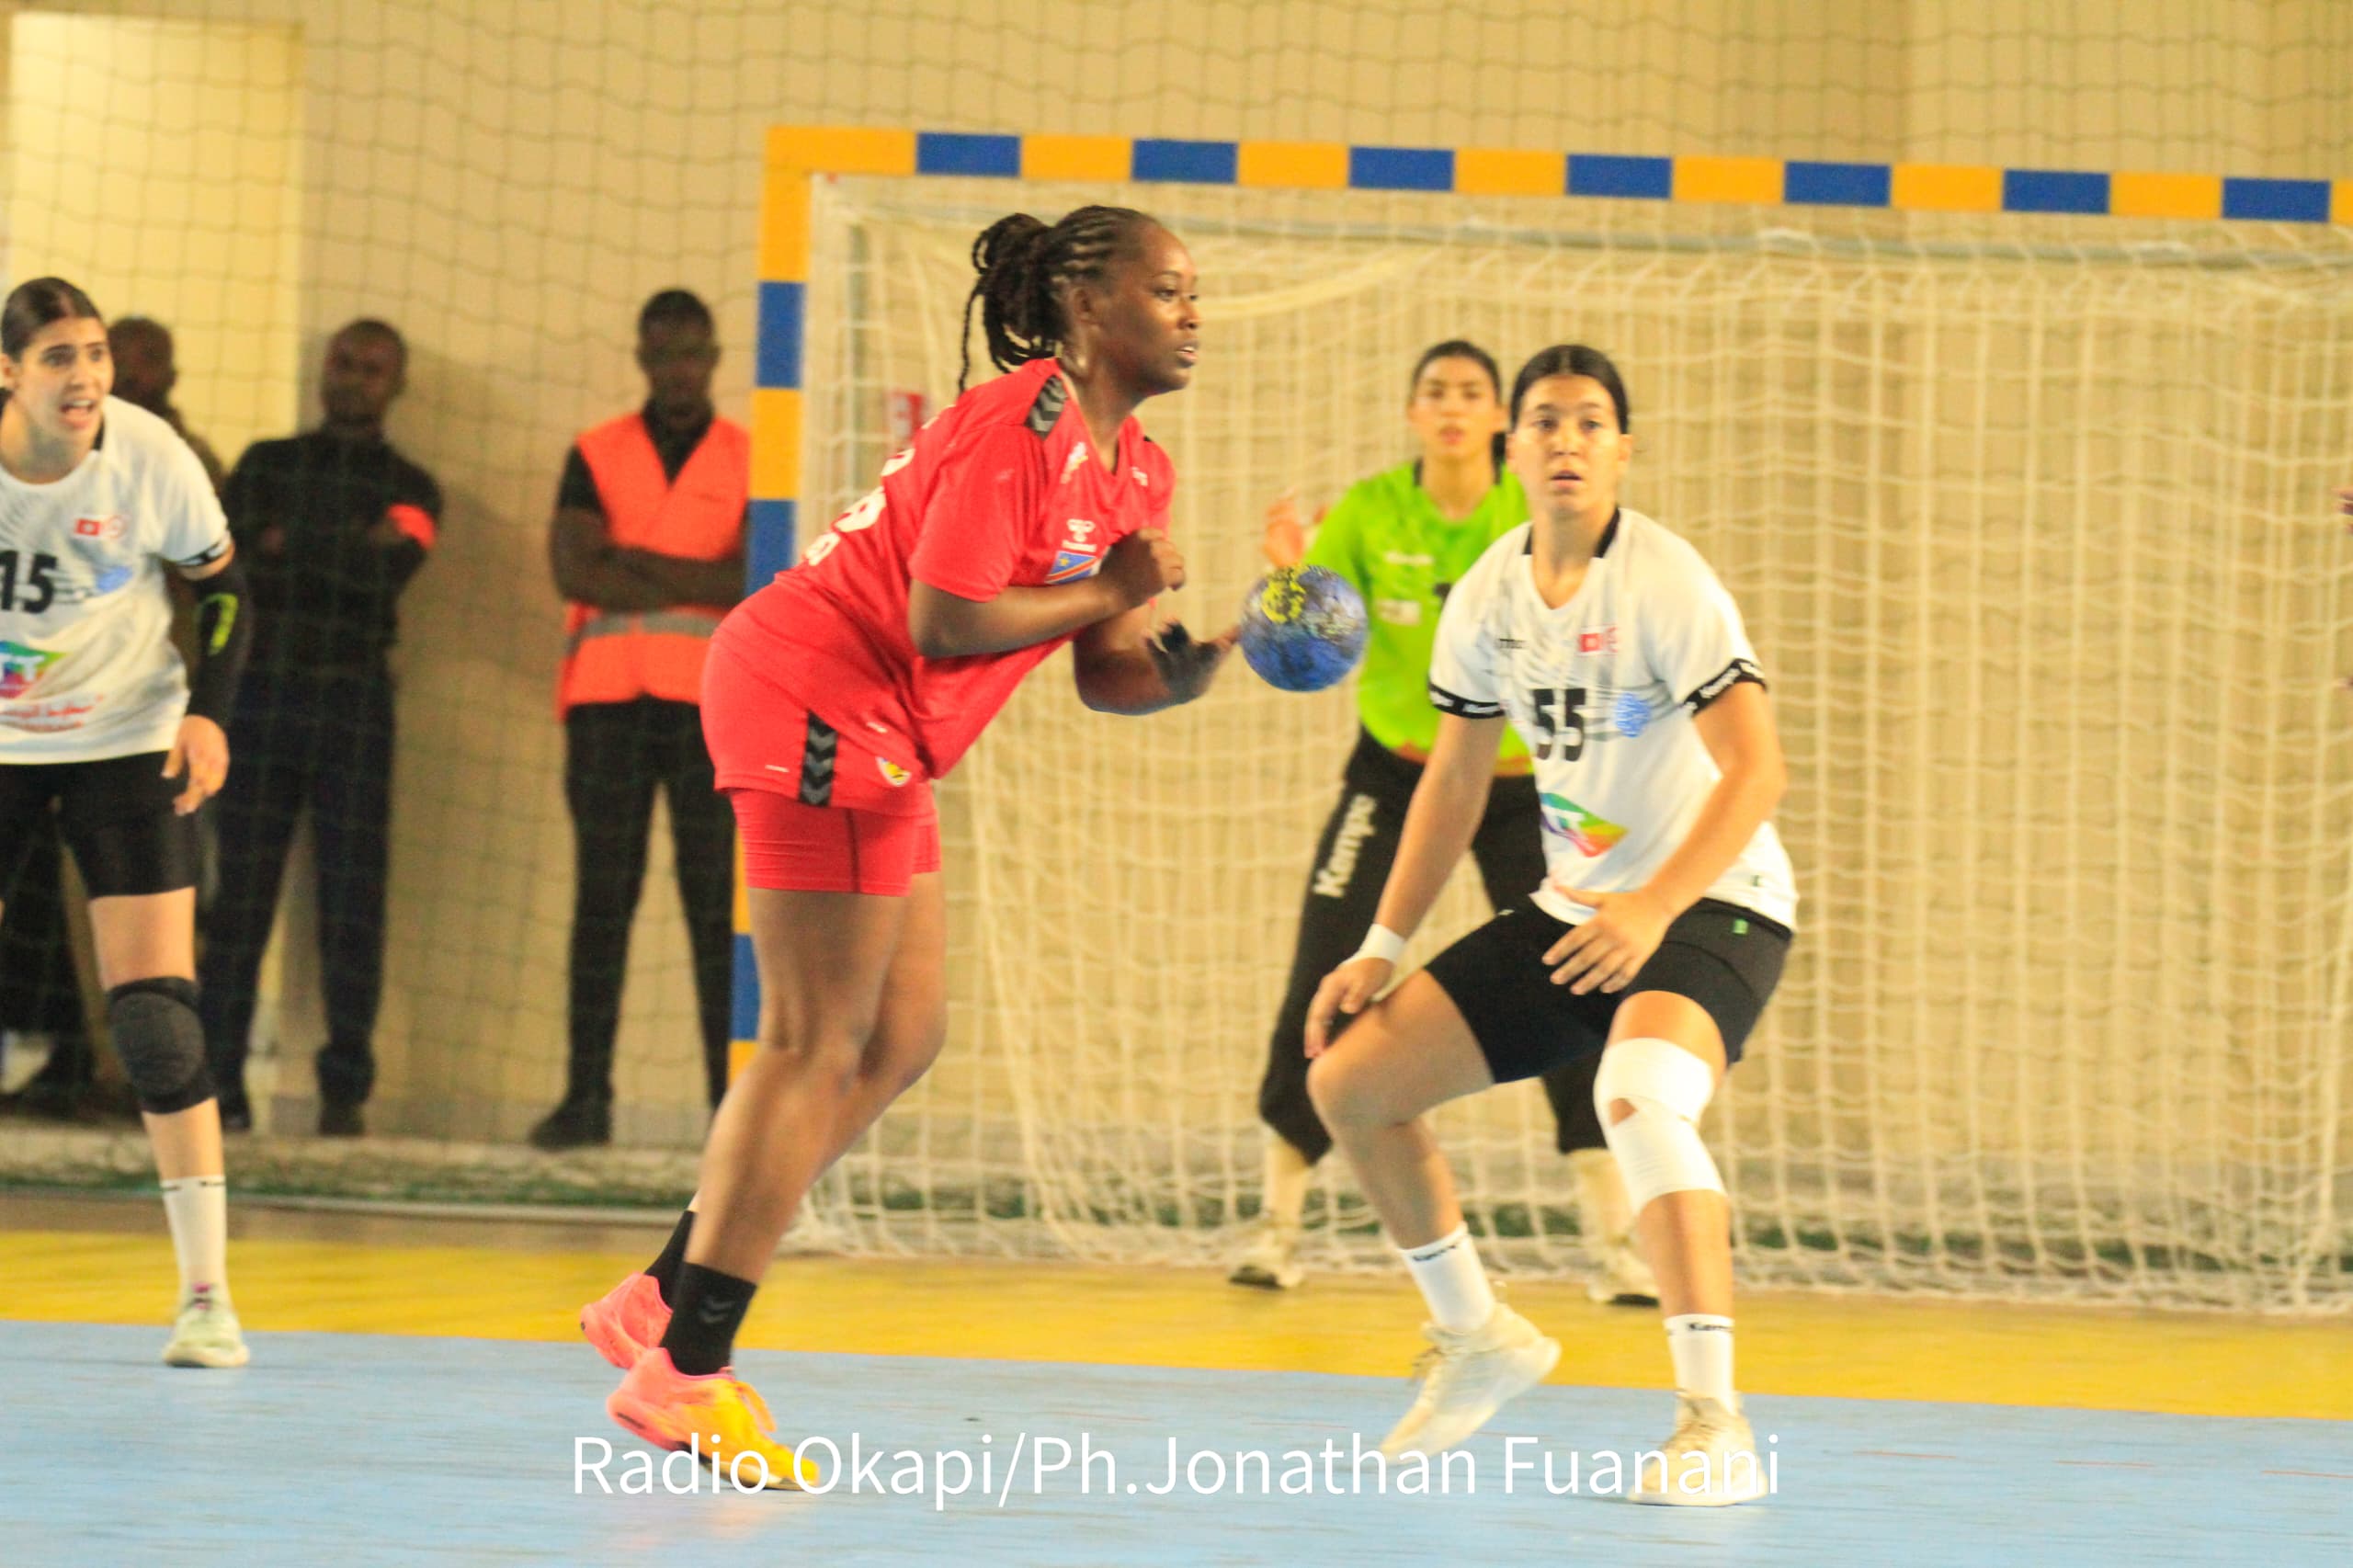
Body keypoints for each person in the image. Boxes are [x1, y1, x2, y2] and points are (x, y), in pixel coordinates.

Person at [579, 205, 1227, 1486]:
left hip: (887, 727)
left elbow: (1104, 671)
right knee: (816, 1041)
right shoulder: (1017, 425)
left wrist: (1209, 655)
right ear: (1093, 309)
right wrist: (1114, 588)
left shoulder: (1137, 470)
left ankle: (660, 1297)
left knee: (901, 1035)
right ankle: (685, 1374)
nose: (1195, 314)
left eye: (1197, 294)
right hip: (818, 690)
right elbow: (944, 617)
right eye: (1172, 291)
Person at [1302, 344, 1796, 1505]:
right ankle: (1479, 1338)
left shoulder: (1667, 581)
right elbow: (1454, 784)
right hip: (1577, 906)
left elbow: (1757, 768)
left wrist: (1656, 903)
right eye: (1545, 422)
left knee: (1639, 1096)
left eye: (1589, 422)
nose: (1566, 440)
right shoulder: (1487, 595)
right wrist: (1379, 944)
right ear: (1510, 446)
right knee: (1352, 1085)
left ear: (1624, 446)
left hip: (1712, 903)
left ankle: (1715, 1425)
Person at [1232, 339, 1654, 1306]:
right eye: (1436, 392)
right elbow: (1303, 643)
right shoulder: (1371, 510)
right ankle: (1275, 1223)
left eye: (1473, 393)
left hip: (1524, 789)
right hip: (1393, 777)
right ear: (1412, 411)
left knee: (1577, 981)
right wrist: (1292, 579)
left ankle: (1612, 1241)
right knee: (1323, 971)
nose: (1454, 407)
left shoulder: (1530, 511)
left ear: (1500, 421)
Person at [0, 277, 256, 1366]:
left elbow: (230, 593)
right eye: (59, 356)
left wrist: (207, 712)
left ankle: (206, 1297)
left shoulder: (150, 454)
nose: (86, 376)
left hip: (124, 742)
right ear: (9, 372)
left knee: (155, 1019)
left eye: (95, 354)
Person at [196, 320, 441, 1136]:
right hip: (260, 700)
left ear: (395, 386)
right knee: (238, 898)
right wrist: (342, 552)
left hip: (355, 705)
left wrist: (290, 545)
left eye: (374, 369)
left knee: (352, 901)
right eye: (344, 362)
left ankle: (345, 1095)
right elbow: (237, 565)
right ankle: (220, 1084)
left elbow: (388, 572)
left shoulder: (415, 486)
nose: (354, 379)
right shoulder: (266, 462)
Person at [530, 290, 747, 1150]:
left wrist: (635, 563)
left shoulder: (749, 455)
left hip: (711, 709)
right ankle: (586, 1100)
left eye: (692, 353)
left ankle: (727, 1108)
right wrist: (692, 573)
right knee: (602, 901)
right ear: (643, 357)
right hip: (606, 707)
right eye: (663, 355)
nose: (679, 369)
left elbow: (756, 580)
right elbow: (577, 573)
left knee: (712, 906)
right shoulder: (596, 452)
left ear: (715, 354)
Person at [108, 316, 227, 492]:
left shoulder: (196, 460)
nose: (129, 374)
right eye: (118, 359)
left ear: (172, 377)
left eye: (148, 359)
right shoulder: (72, 450)